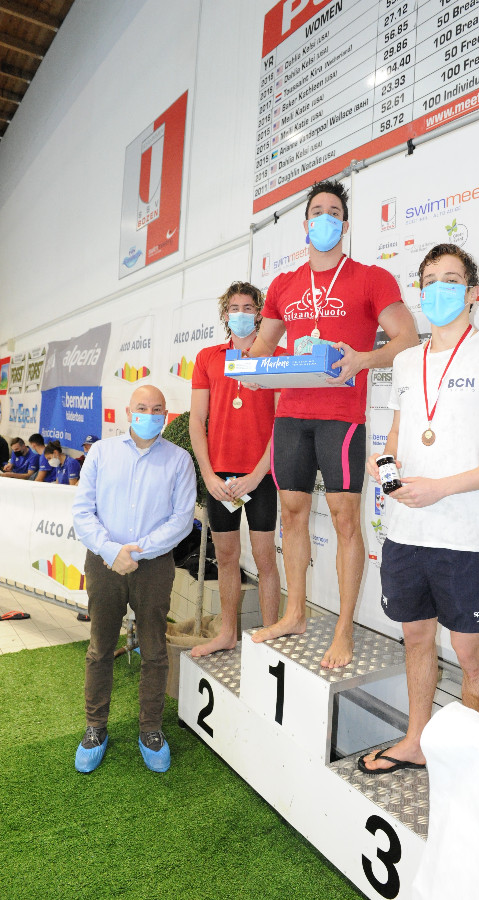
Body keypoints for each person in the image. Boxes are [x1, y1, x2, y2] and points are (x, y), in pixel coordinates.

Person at [358, 243, 479, 774]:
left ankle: (470, 769)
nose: (439, 288)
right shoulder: (406, 361)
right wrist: (383, 464)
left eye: (452, 279)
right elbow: (397, 435)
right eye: (430, 279)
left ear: (473, 292)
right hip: (404, 530)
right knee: (416, 637)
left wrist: (443, 488)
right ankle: (416, 741)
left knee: (469, 652)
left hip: (464, 534)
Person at [249, 179, 419, 668]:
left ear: (344, 225)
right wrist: (250, 369)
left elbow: (407, 339)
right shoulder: (284, 285)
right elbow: (263, 346)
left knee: (345, 519)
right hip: (291, 415)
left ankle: (344, 629)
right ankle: (295, 613)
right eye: (317, 211)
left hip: (341, 417)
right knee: (292, 514)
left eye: (334, 212)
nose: (324, 218)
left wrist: (363, 359)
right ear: (305, 224)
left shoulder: (370, 278)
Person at [72, 384, 196, 773]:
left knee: (155, 650)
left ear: (166, 415)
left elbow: (182, 519)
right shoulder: (101, 453)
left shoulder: (179, 460)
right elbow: (82, 510)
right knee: (99, 648)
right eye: (142, 407)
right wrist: (112, 551)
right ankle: (95, 727)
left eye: (158, 409)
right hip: (103, 563)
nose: (150, 414)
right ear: (128, 412)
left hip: (154, 566)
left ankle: (151, 729)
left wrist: (136, 552)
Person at [188, 281, 282, 657]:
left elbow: (283, 423)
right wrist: (209, 475)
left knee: (264, 559)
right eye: (234, 307)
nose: (240, 313)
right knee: (226, 558)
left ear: (259, 313)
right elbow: (196, 421)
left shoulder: (276, 356)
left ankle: (271, 637)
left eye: (248, 307)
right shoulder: (208, 358)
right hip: (221, 479)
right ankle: (228, 633)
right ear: (225, 313)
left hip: (261, 477)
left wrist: (257, 475)